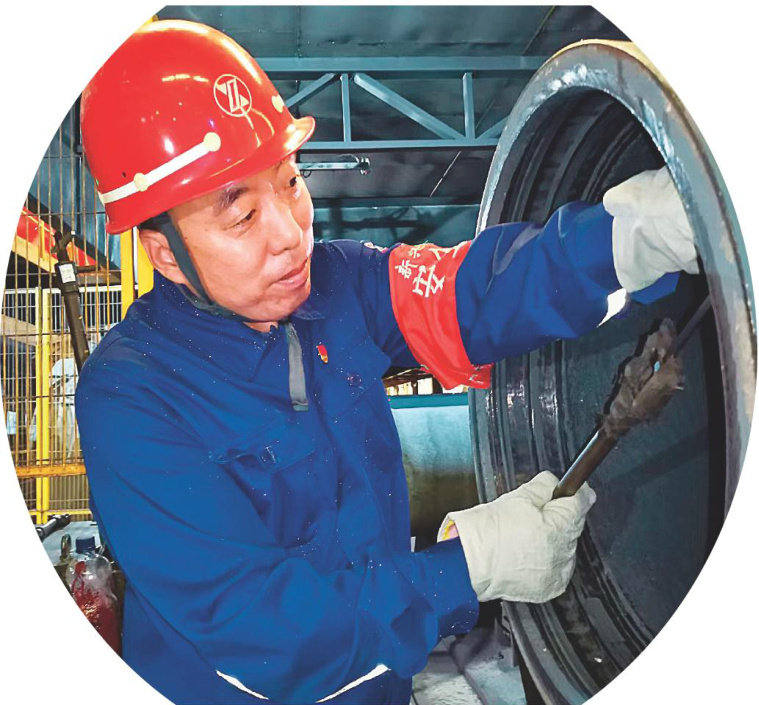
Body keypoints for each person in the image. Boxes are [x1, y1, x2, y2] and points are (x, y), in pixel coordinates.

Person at [75, 20, 698, 705]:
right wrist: (468, 569)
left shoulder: (339, 285)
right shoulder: (131, 396)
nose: (291, 235)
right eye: (241, 216)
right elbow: (260, 630)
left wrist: (627, 237)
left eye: (290, 182)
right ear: (166, 253)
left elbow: (473, 292)